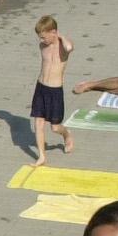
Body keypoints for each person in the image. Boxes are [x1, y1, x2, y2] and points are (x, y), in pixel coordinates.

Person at [28, 15, 76, 164]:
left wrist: (59, 35)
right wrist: (49, 38)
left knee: (55, 128)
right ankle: (42, 156)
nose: (41, 41)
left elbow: (69, 47)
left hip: (55, 91)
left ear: (53, 32)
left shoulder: (63, 47)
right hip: (41, 87)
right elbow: (45, 45)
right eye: (40, 37)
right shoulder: (43, 46)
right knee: (38, 123)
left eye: (44, 37)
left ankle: (67, 134)